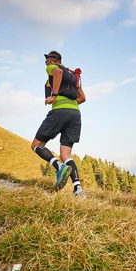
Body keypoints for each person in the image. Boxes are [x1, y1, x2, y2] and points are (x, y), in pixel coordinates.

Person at [31, 50, 86, 196]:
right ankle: (78, 189)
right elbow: (82, 98)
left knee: (36, 145)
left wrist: (54, 96)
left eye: (46, 59)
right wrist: (69, 105)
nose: (45, 62)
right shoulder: (74, 75)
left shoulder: (53, 67)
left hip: (59, 112)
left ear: (52, 59)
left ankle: (59, 167)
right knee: (66, 154)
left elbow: (57, 73)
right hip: (75, 114)